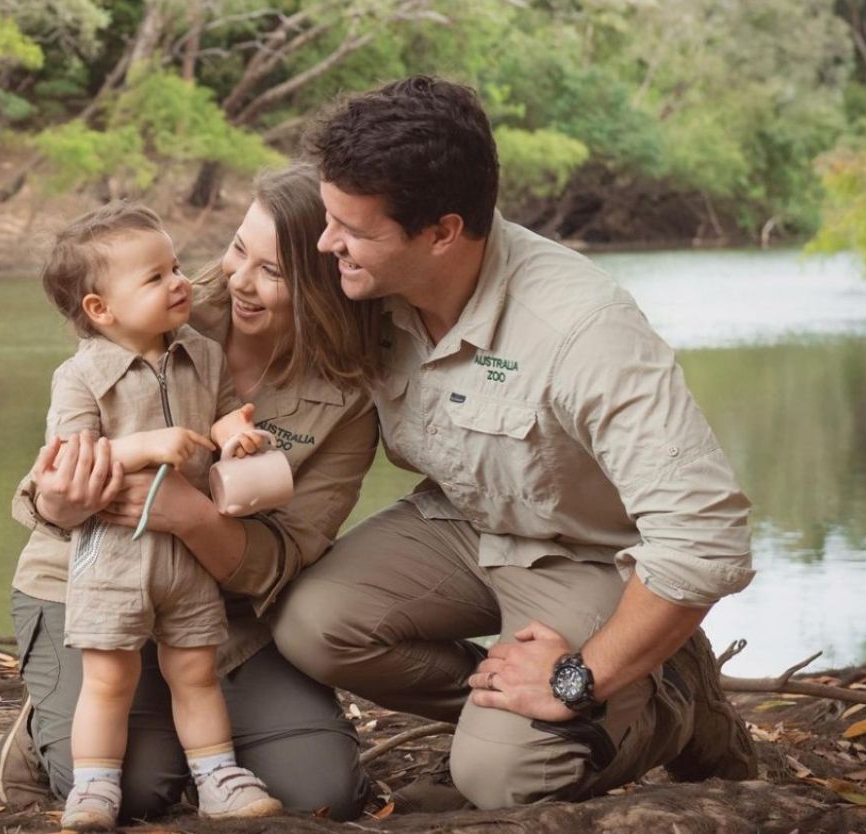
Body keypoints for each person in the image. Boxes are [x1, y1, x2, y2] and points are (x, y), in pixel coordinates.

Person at [271, 76, 758, 810]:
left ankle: (667, 701)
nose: (325, 243)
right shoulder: (368, 280)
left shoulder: (581, 328)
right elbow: (225, 296)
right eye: (328, 217)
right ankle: (516, 712)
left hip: (587, 555)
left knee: (502, 777)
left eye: (353, 230)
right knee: (313, 626)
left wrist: (581, 676)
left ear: (443, 233)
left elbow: (709, 536)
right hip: (465, 522)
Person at [0, 163, 384, 822]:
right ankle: (55, 722)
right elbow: (46, 483)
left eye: (272, 271)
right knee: (135, 789)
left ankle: (197, 743)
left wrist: (193, 516)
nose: (238, 280)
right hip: (90, 581)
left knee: (321, 791)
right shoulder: (155, 304)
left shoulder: (345, 394)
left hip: (216, 605)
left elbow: (286, 554)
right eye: (237, 248)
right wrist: (61, 500)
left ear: (325, 284)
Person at [28, 201, 282, 830]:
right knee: (109, 676)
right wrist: (145, 446)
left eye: (176, 267)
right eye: (155, 277)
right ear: (100, 309)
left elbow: (220, 415)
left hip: (186, 555)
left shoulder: (203, 353)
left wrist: (233, 435)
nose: (179, 283)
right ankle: (93, 787)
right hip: (110, 552)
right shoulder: (80, 376)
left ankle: (218, 776)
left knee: (195, 669)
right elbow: (67, 461)